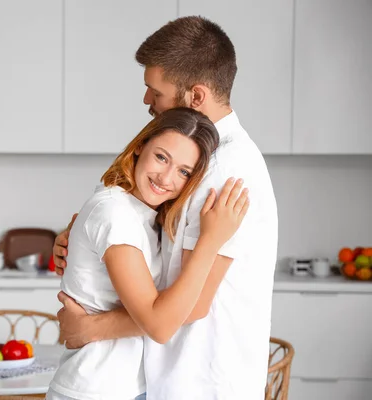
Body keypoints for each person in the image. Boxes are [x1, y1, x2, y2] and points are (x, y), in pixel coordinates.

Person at [53, 16, 278, 400]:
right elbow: (144, 234)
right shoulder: (197, 157)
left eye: (155, 92)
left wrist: (90, 328)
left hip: (203, 382)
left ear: (196, 96)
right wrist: (83, 240)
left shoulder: (224, 170)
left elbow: (192, 304)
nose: (147, 101)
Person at [47, 107, 249, 400]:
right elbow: (160, 325)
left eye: (184, 172)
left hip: (128, 388)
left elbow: (187, 308)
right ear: (140, 146)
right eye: (161, 157)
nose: (166, 178)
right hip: (95, 389)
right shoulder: (115, 213)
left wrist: (89, 327)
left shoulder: (143, 214)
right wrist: (210, 240)